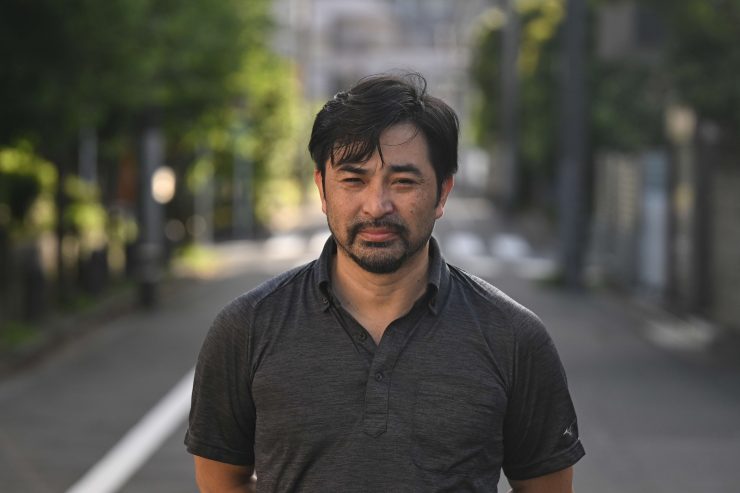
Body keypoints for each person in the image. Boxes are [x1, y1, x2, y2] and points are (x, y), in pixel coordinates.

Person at [185, 72, 585, 492]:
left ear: (442, 192)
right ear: (322, 188)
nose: (377, 206)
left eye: (403, 182)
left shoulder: (513, 337)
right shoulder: (248, 327)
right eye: (353, 180)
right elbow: (221, 480)